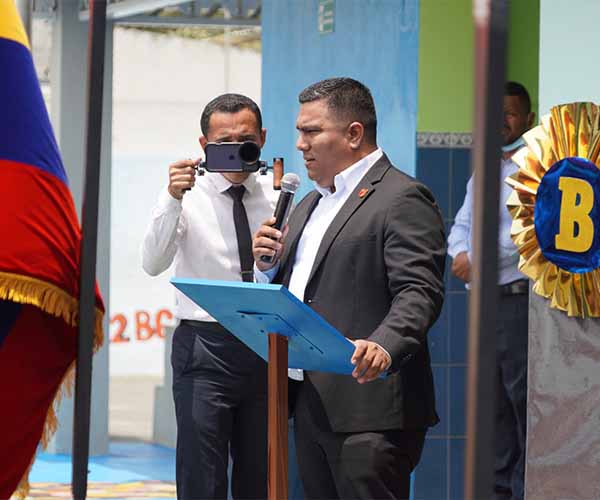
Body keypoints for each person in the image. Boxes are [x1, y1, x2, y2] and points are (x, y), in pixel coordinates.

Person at [253, 77, 446, 500]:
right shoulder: (309, 203)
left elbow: (419, 290)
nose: (300, 144)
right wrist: (266, 268)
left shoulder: (401, 197)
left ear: (354, 134)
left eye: (312, 131)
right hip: (309, 402)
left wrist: (384, 345)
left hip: (370, 410)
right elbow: (301, 290)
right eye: (300, 131)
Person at [142, 93, 278, 500]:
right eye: (224, 143)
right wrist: (172, 198)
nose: (237, 151)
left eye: (247, 140)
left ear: (263, 138)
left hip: (264, 343)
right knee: (202, 474)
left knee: (259, 473)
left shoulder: (278, 194)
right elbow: (152, 262)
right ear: (203, 145)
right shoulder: (187, 195)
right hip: (204, 347)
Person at [448, 81, 535, 500]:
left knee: (522, 408)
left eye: (511, 112)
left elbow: (528, 235)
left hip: (521, 304)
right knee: (493, 409)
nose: (502, 120)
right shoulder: (487, 168)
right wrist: (460, 252)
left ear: (529, 120)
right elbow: (462, 223)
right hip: (487, 305)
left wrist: (475, 260)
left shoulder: (541, 169)